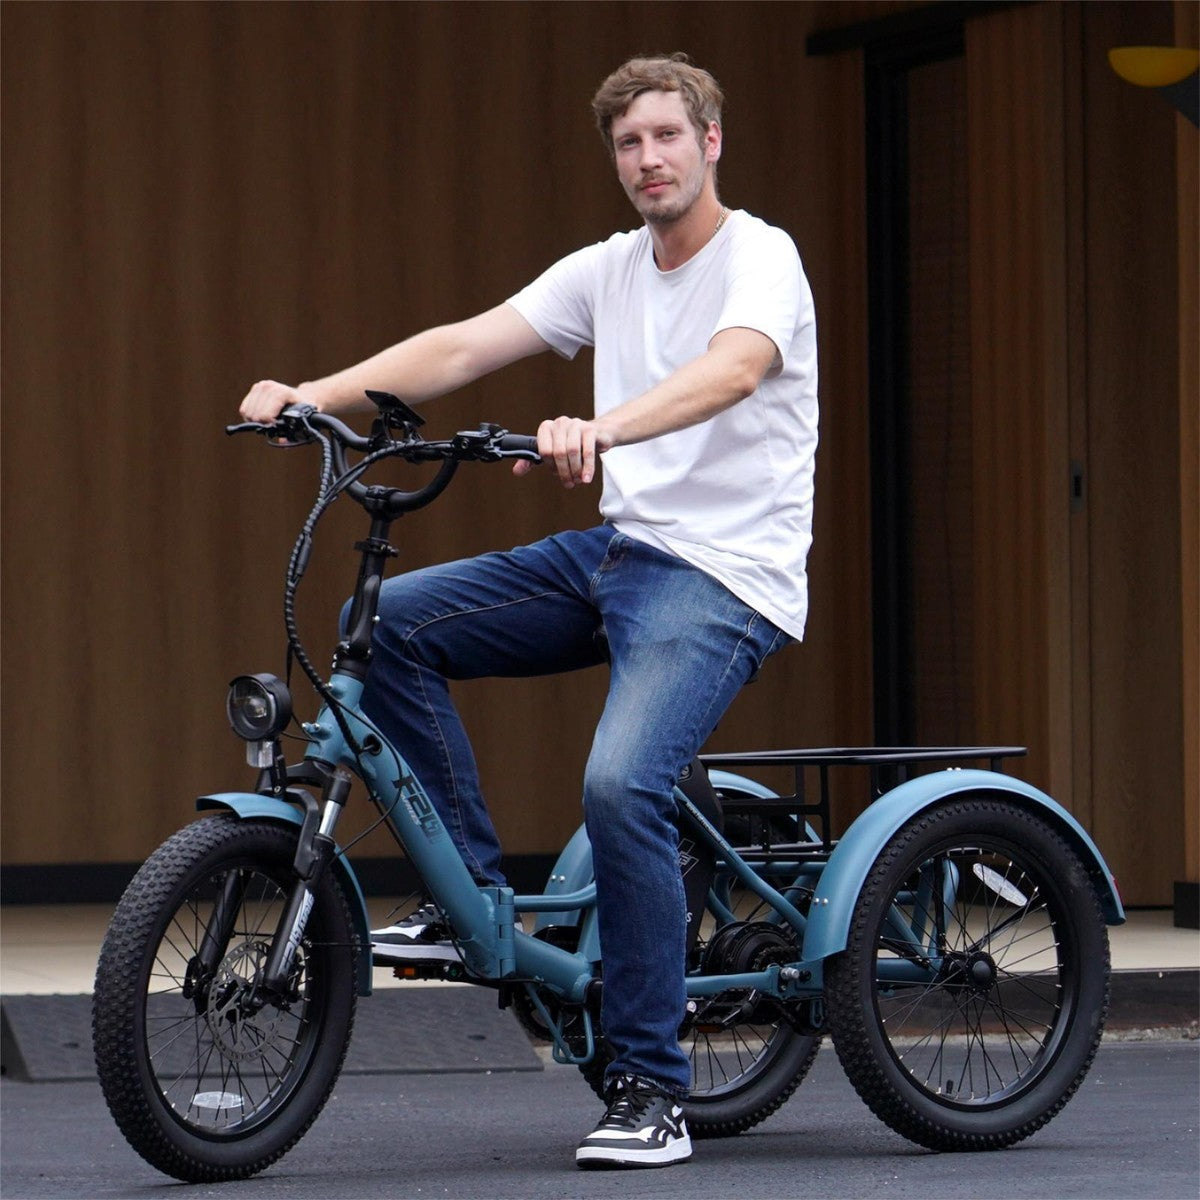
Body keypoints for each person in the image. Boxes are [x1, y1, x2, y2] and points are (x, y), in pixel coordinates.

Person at [240, 53, 818, 1170]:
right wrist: (309, 395)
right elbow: (462, 346)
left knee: (619, 785)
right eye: (627, 143)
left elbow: (736, 370)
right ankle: (483, 908)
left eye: (665, 136)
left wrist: (607, 429)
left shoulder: (764, 258)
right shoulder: (608, 269)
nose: (647, 159)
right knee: (396, 622)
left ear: (710, 143)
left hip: (724, 576)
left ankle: (651, 1089)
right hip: (620, 552)